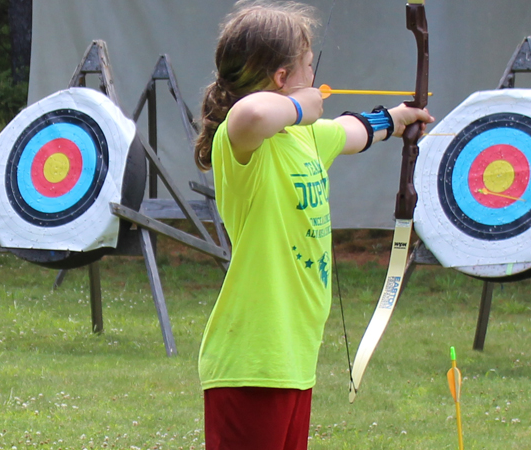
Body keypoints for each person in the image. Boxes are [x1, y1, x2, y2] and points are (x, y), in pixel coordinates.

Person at [192, 2, 433, 449]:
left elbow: (350, 130)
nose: (316, 78)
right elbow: (254, 114)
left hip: (291, 358)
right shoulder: (241, 142)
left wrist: (397, 120)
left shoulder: (306, 137)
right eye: (307, 66)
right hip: (251, 360)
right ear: (282, 79)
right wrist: (303, 102)